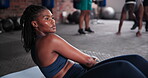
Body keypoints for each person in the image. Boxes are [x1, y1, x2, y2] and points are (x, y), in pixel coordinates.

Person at [21, 5, 148, 78]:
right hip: (78, 76)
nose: (53, 21)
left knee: (134, 59)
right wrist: (95, 62)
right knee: (123, 66)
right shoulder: (50, 39)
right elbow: (87, 61)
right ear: (34, 24)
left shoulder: (34, 45)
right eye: (47, 18)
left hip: (80, 72)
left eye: (52, 18)